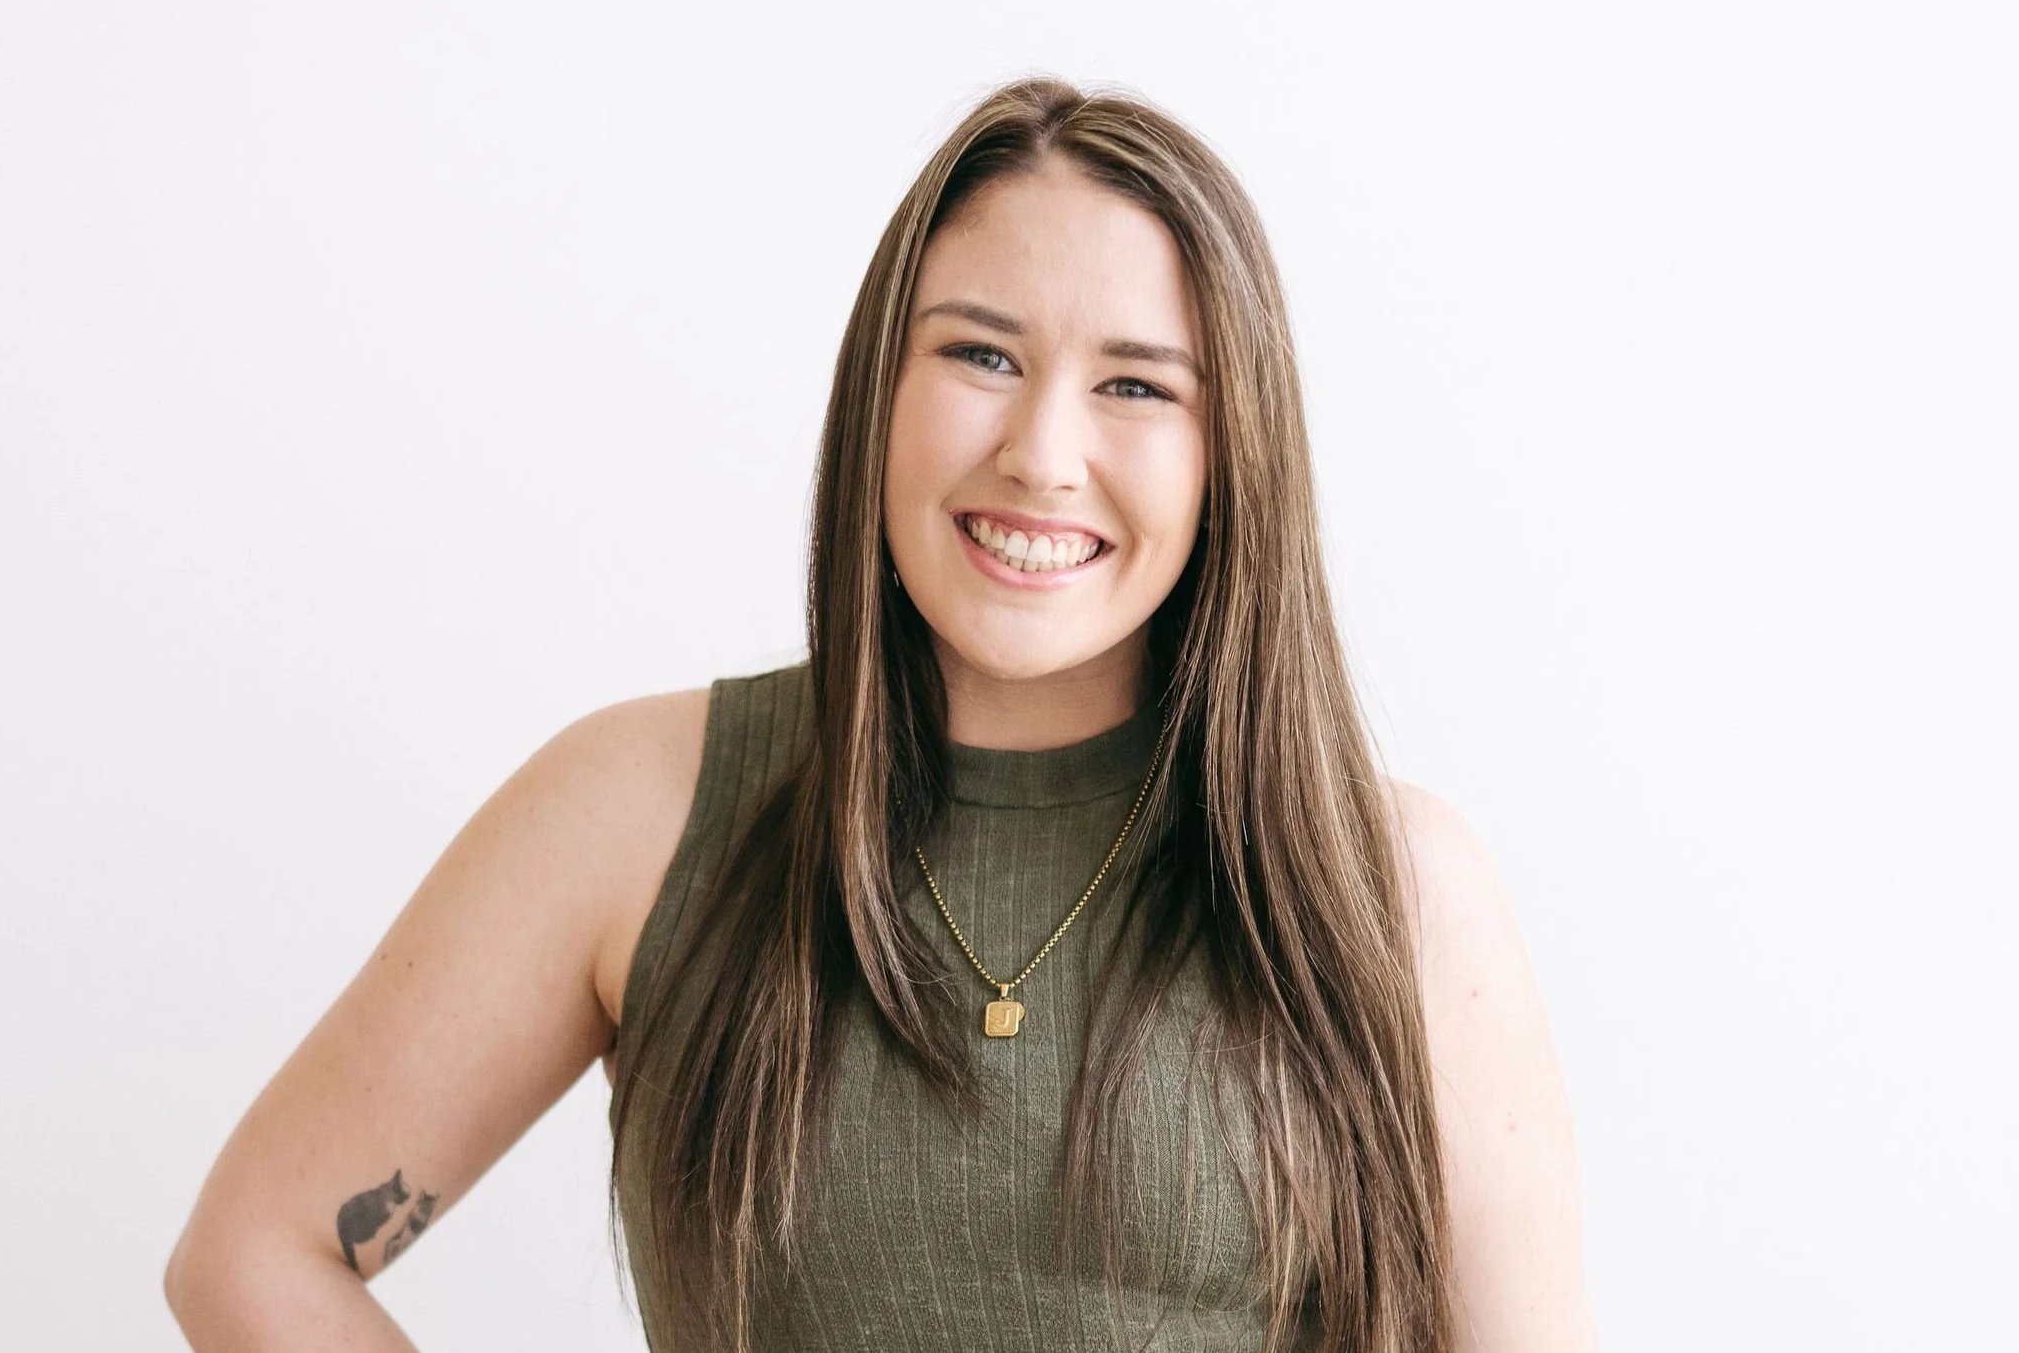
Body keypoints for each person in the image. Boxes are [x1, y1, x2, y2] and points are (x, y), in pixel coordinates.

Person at [164, 75, 1600, 1353]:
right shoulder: (639, 811)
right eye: (981, 355)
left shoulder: (1395, 886)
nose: (1043, 453)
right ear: (881, 386)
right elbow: (257, 1250)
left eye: (1135, 385)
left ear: (1234, 454)